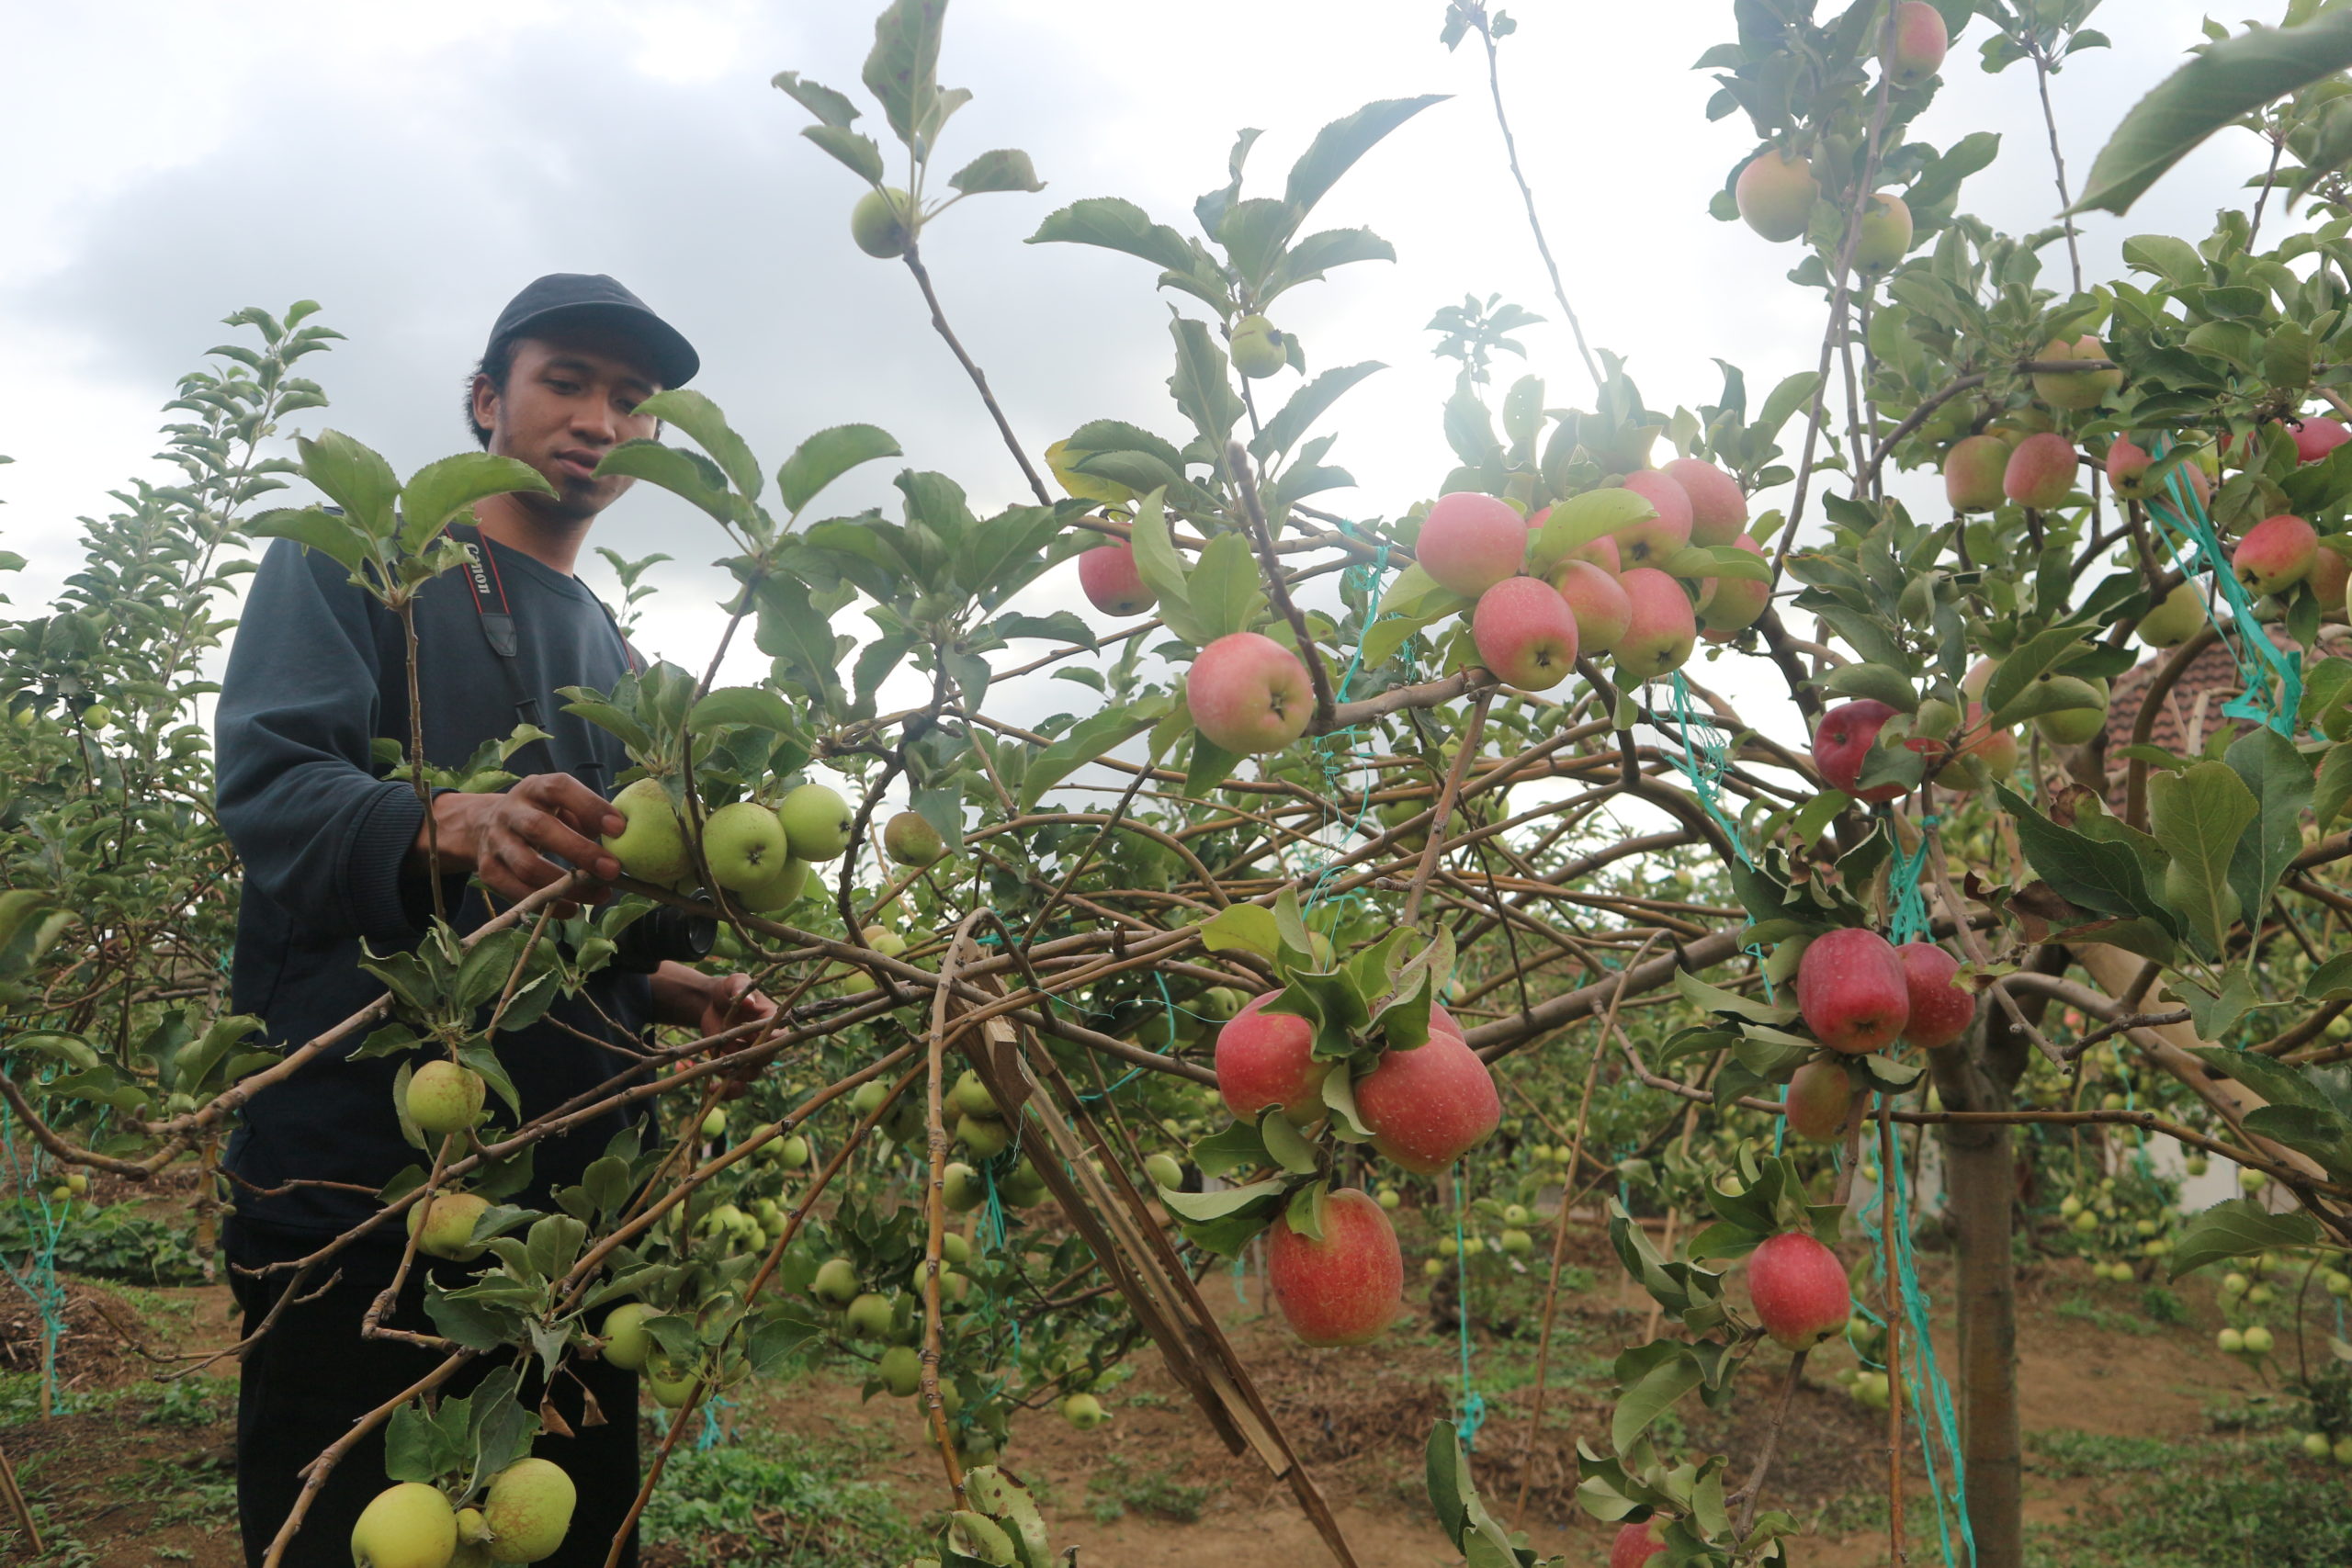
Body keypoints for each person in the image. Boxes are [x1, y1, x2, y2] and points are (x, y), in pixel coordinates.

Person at [215, 274, 773, 1568]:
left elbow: (589, 917)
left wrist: (674, 983)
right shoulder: (366, 564)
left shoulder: (621, 662)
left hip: (574, 1215)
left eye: (631, 400)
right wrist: (449, 821)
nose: (599, 417)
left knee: (563, 1540)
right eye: (565, 380)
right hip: (362, 1190)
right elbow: (273, 788)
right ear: (487, 401)